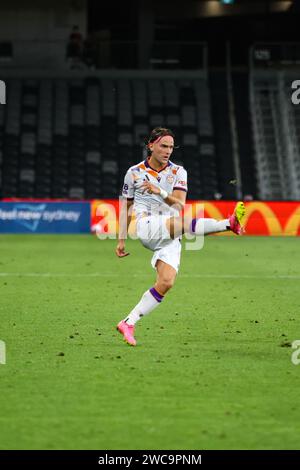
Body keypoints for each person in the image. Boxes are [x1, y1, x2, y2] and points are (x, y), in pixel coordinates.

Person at [116, 127, 245, 346]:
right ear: (151, 145)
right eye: (163, 146)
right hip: (147, 225)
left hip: (170, 231)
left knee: (166, 282)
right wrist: (121, 239)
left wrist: (160, 192)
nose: (167, 151)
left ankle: (128, 322)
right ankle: (228, 223)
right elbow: (126, 205)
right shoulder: (134, 172)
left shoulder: (178, 172)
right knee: (184, 223)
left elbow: (179, 204)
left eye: (170, 147)